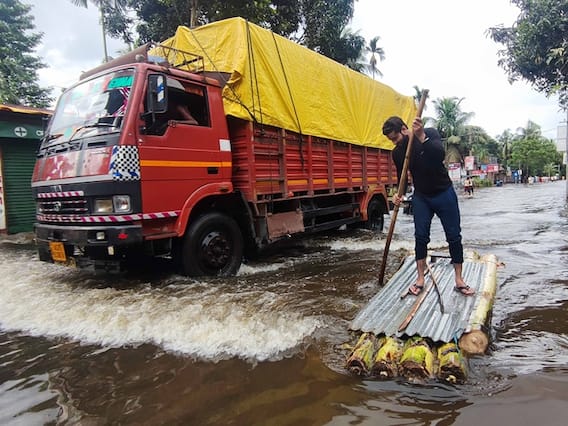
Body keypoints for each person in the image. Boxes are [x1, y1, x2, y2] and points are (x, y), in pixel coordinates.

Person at [382, 116, 474, 296]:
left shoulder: (429, 134)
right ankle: (420, 279)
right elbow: (403, 177)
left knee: (454, 236)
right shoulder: (398, 153)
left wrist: (421, 136)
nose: (394, 143)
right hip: (422, 197)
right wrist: (398, 195)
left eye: (395, 138)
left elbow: (438, 155)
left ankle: (459, 279)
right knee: (421, 237)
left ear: (403, 129)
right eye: (391, 140)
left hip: (444, 193)